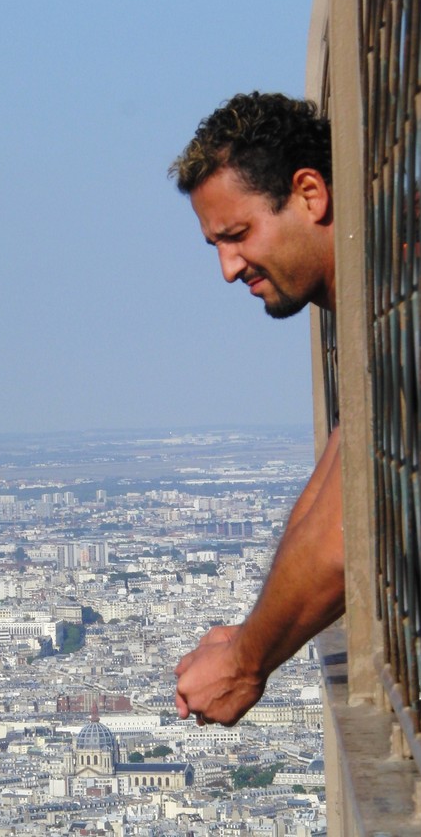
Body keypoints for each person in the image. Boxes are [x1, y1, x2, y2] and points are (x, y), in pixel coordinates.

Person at [168, 92, 346, 728]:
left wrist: (245, 664)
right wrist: (246, 639)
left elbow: (345, 533)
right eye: (217, 243)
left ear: (309, 194)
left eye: (238, 235)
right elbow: (338, 481)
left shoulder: (407, 284)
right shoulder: (380, 296)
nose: (228, 267)